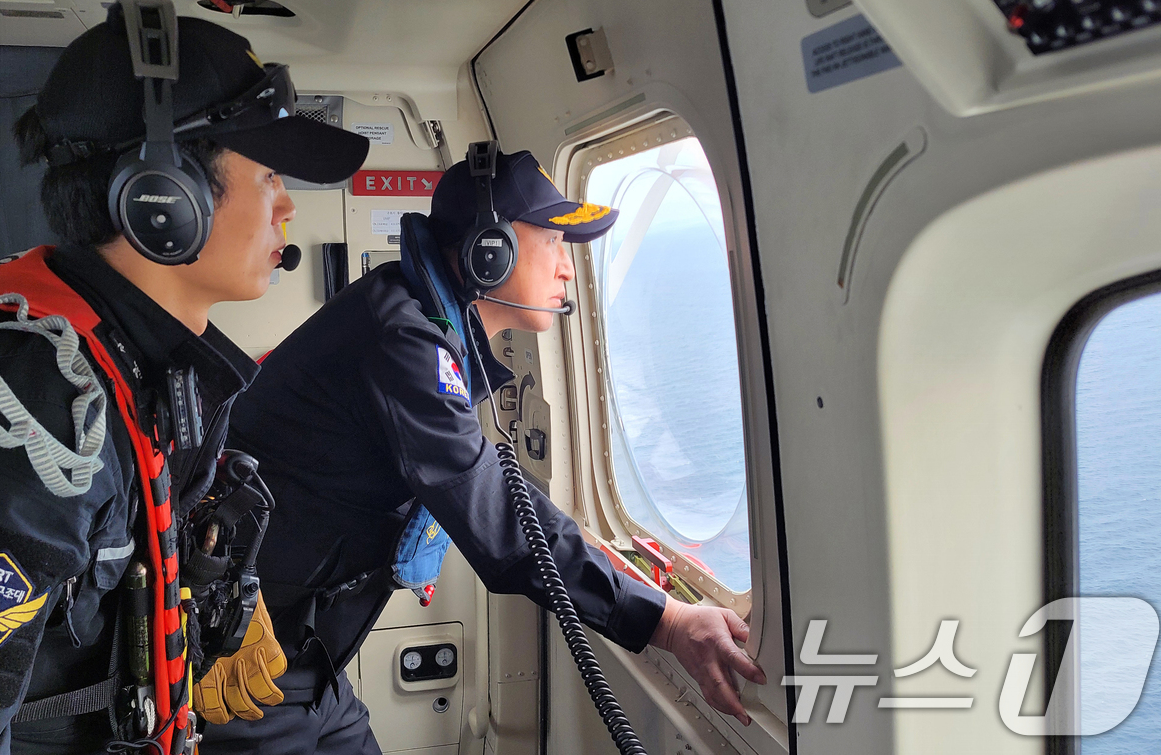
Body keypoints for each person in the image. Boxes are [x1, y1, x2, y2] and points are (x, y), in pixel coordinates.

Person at [0, 0, 368, 754]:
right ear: (164, 199)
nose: (288, 205)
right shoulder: (11, 426)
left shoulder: (139, 367)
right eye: (270, 173)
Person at [213, 148, 767, 754]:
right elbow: (498, 519)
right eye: (553, 241)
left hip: (306, 663)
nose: (566, 268)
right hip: (242, 664)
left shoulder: (424, 326)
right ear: (489, 250)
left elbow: (491, 487)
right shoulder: (404, 340)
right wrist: (663, 619)